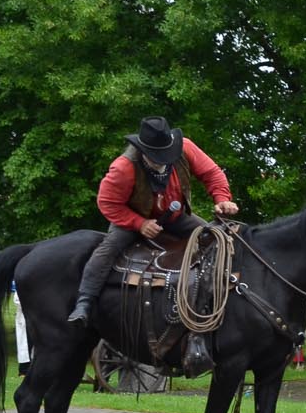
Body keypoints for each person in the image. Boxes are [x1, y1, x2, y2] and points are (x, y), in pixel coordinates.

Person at [69, 116, 239, 328]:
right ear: (143, 151)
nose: (164, 160)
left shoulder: (185, 148)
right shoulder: (123, 168)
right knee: (108, 249)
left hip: (175, 217)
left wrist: (222, 198)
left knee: (216, 237)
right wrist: (139, 223)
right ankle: (84, 302)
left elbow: (212, 173)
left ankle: (216, 297)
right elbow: (108, 203)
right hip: (131, 219)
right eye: (157, 157)